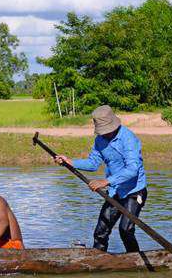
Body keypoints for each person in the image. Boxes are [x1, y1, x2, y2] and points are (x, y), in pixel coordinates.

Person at [53, 105, 147, 253]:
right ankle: (97, 260)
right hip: (115, 191)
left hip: (134, 191)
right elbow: (93, 163)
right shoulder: (100, 140)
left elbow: (133, 169)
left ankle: (134, 259)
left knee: (125, 229)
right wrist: (70, 162)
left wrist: (106, 181)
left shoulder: (128, 139)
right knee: (100, 231)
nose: (105, 134)